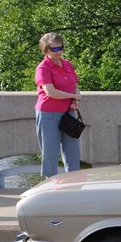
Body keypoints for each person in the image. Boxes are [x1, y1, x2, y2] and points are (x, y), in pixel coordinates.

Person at [35, 32, 82, 178]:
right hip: (48, 114)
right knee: (50, 152)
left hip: (68, 113)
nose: (58, 52)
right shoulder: (43, 68)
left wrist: (76, 100)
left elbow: (75, 85)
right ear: (45, 49)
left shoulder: (67, 64)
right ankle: (49, 190)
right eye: (54, 49)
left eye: (60, 48)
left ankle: (74, 186)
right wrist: (73, 96)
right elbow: (51, 92)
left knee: (72, 151)